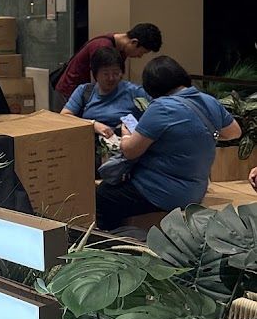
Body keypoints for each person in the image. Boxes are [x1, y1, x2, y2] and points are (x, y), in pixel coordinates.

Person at [95, 55, 242, 230]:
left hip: (161, 192)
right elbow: (234, 132)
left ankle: (108, 246)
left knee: (104, 195)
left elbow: (130, 151)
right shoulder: (208, 101)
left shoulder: (162, 107)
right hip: (196, 191)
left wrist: (126, 135)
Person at [55, 23, 163, 100]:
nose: (139, 56)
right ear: (134, 42)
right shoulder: (102, 46)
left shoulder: (121, 48)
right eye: (141, 52)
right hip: (71, 92)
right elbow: (99, 81)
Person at [62, 47, 147, 139]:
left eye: (116, 73)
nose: (111, 78)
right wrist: (93, 125)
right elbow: (64, 116)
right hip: (89, 145)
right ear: (95, 74)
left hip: (123, 145)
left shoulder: (134, 92)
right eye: (105, 74)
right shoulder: (84, 91)